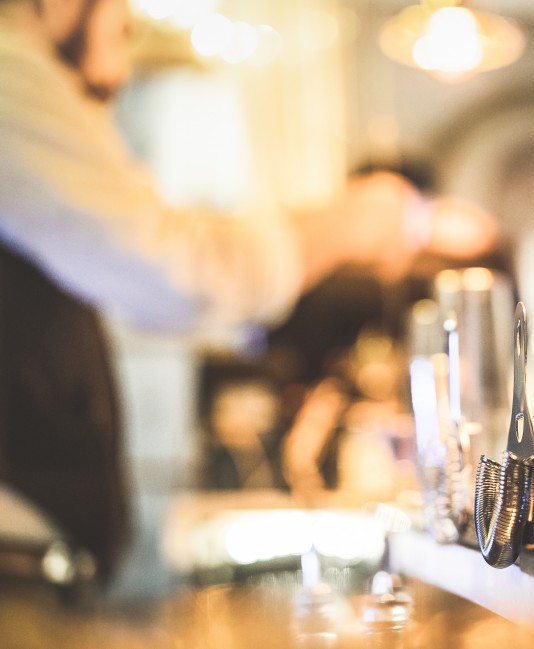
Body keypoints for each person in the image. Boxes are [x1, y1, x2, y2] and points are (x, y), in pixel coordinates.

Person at [0, 0, 431, 584]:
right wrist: (353, 221)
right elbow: (173, 272)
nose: (119, 74)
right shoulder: (9, 73)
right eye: (121, 27)